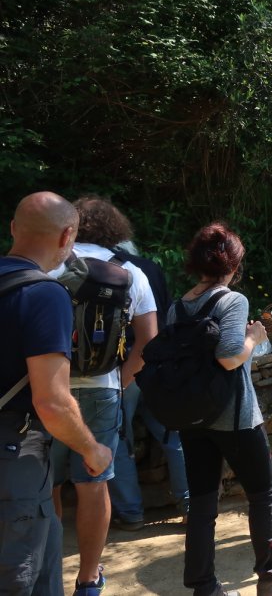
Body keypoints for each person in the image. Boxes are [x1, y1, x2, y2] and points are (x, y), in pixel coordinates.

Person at [176, 222, 272, 596]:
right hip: (234, 417)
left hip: (192, 416)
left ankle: (204, 587)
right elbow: (230, 356)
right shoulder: (231, 301)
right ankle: (271, 578)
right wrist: (254, 338)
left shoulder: (180, 305)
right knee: (263, 493)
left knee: (202, 503)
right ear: (233, 266)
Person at [0, 192, 112, 596]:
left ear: (13, 229)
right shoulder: (45, 294)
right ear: (68, 236)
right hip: (14, 461)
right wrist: (92, 450)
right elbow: (51, 401)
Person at [49, 196, 158, 596]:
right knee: (94, 485)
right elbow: (148, 342)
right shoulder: (131, 274)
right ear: (116, 229)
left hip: (50, 391)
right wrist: (120, 381)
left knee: (49, 485)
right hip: (103, 390)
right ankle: (89, 578)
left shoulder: (51, 265)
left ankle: (48, 575)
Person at [109, 239, 190, 530]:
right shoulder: (151, 269)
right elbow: (167, 314)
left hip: (122, 367)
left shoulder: (103, 269)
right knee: (174, 434)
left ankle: (130, 513)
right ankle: (190, 504)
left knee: (118, 439)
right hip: (159, 364)